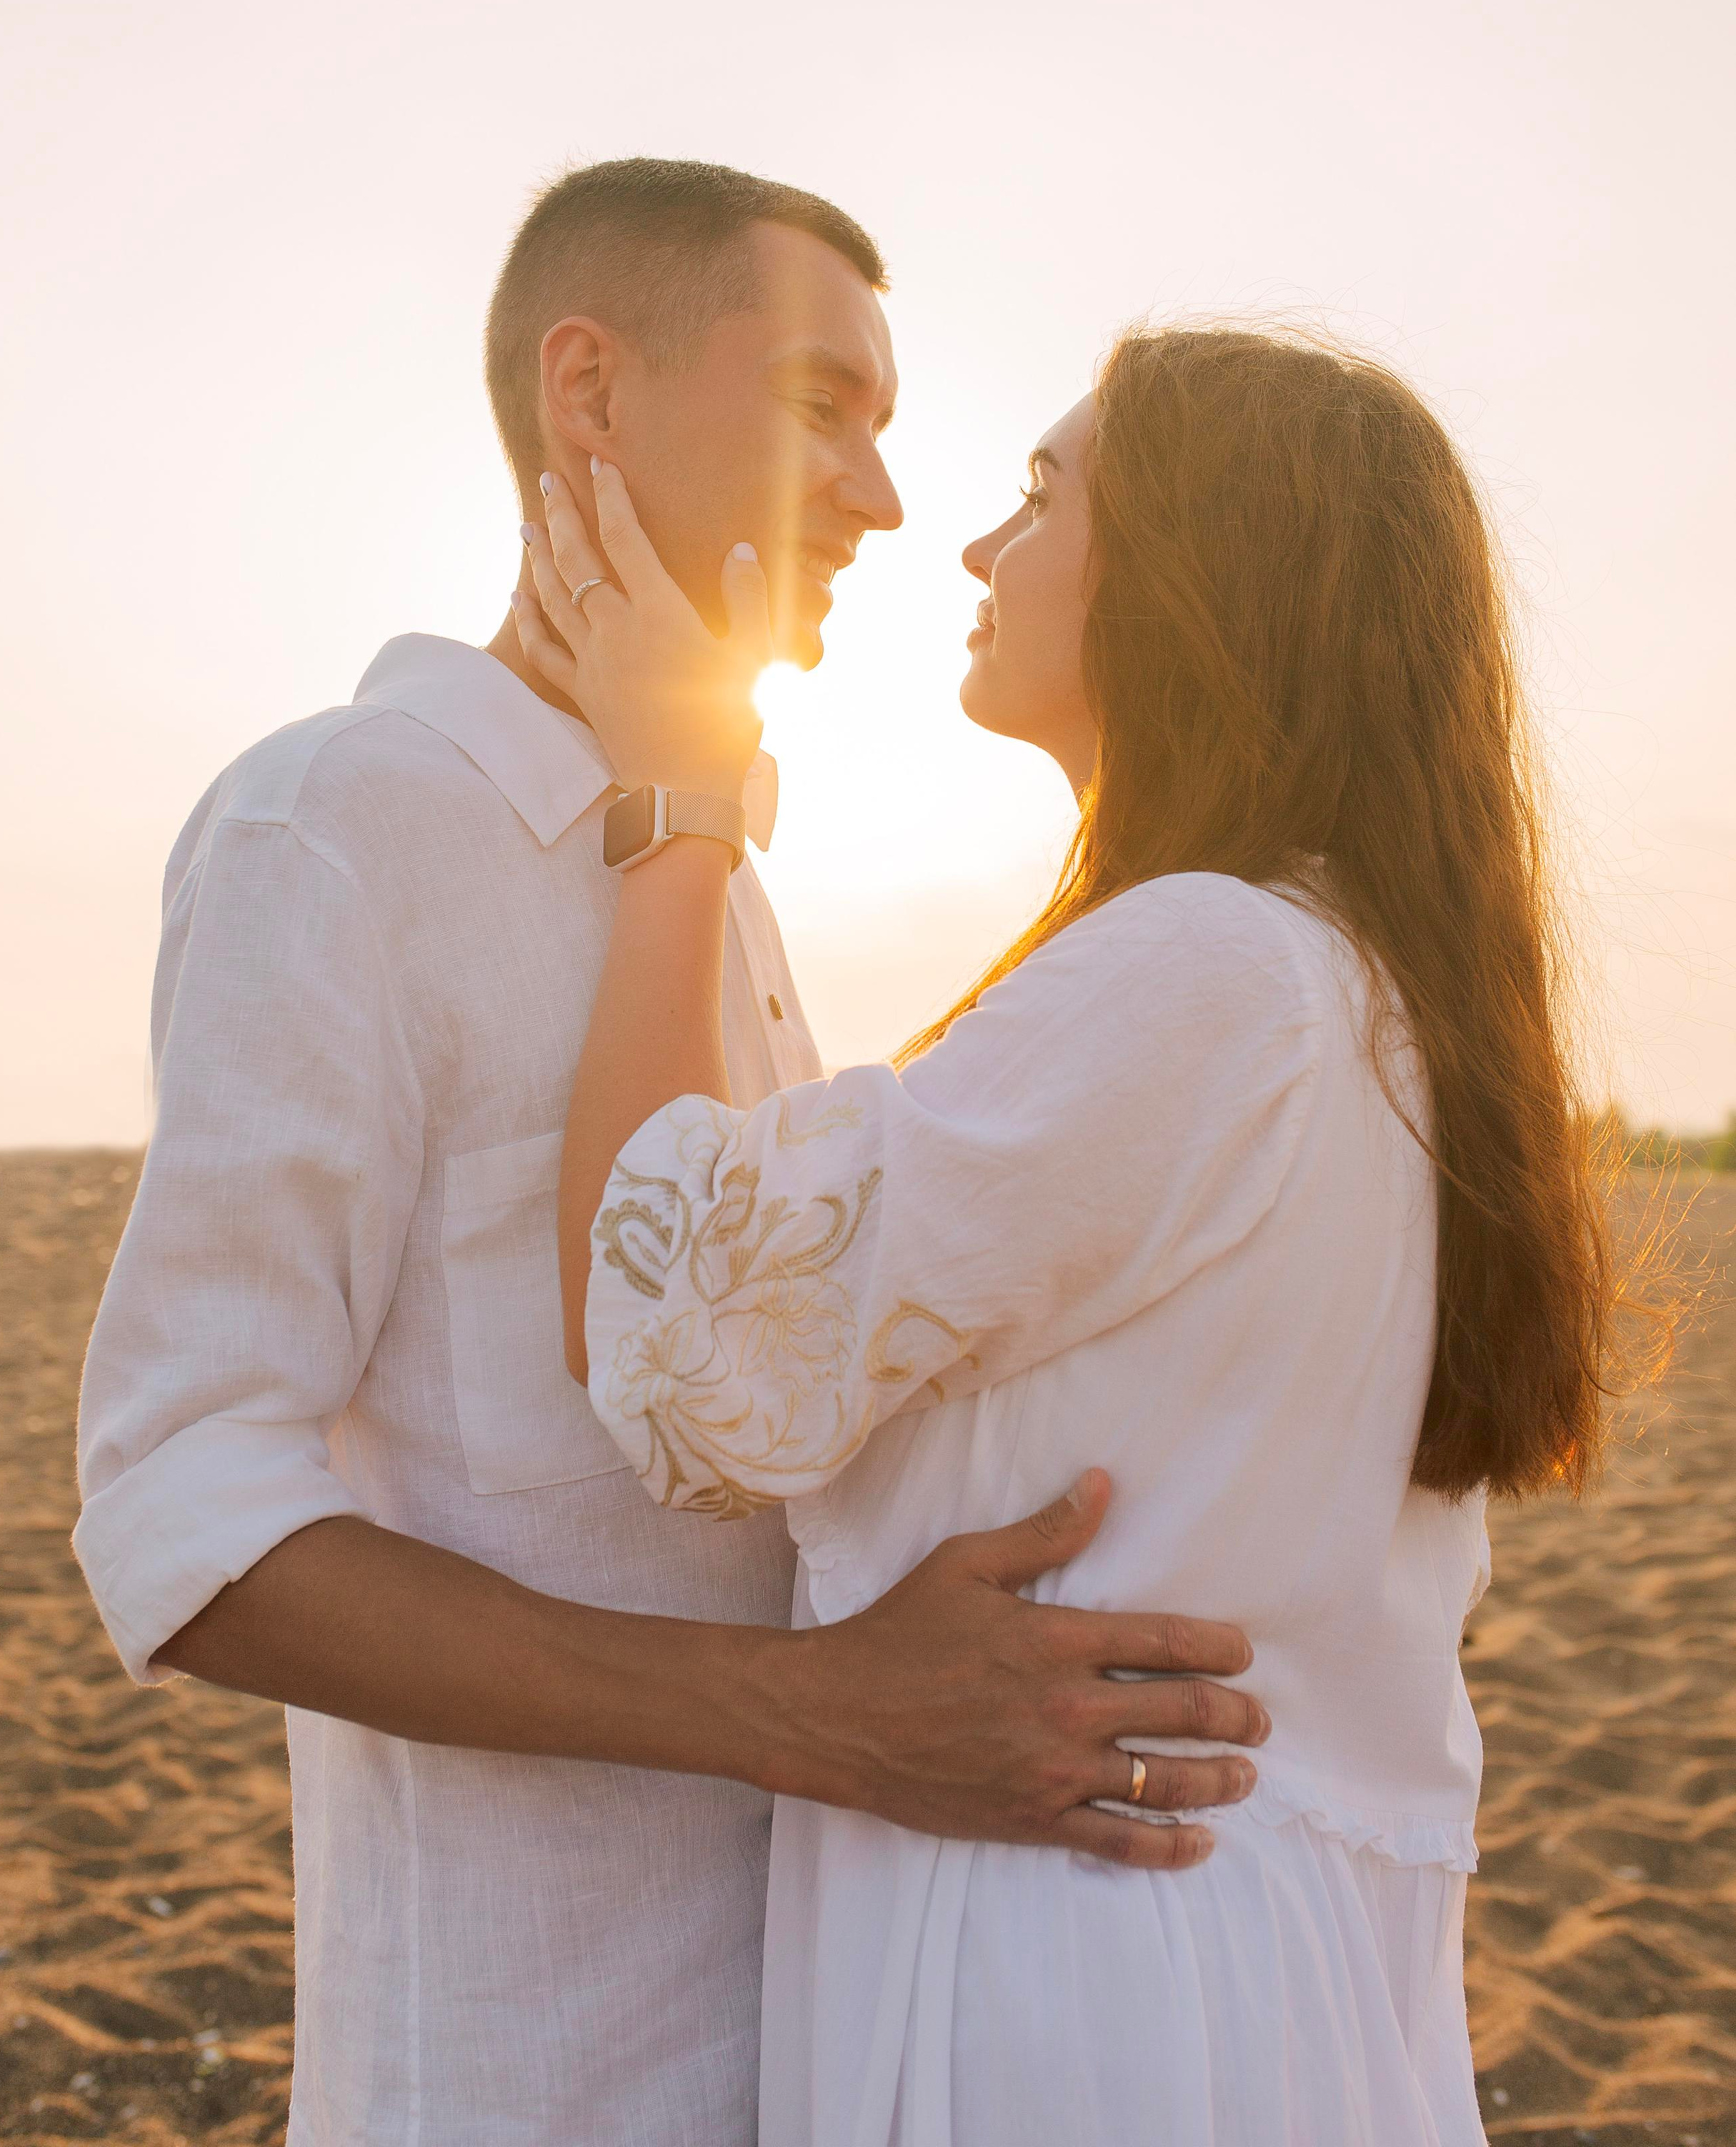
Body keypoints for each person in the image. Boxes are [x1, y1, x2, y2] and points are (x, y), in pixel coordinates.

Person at [73, 161, 1267, 2147]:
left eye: (888, 428)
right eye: (824, 406)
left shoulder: (701, 868)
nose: (884, 499)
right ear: (589, 394)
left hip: (823, 2057)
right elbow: (182, 1507)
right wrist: (822, 1719)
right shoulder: (334, 824)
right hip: (521, 2082)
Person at [519, 319, 1615, 2145]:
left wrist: (680, 809)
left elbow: (670, 1329)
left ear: (1198, 576)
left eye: (1040, 494)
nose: (972, 545)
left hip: (1081, 1972)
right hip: (1268, 1971)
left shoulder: (1212, 967)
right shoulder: (1371, 994)